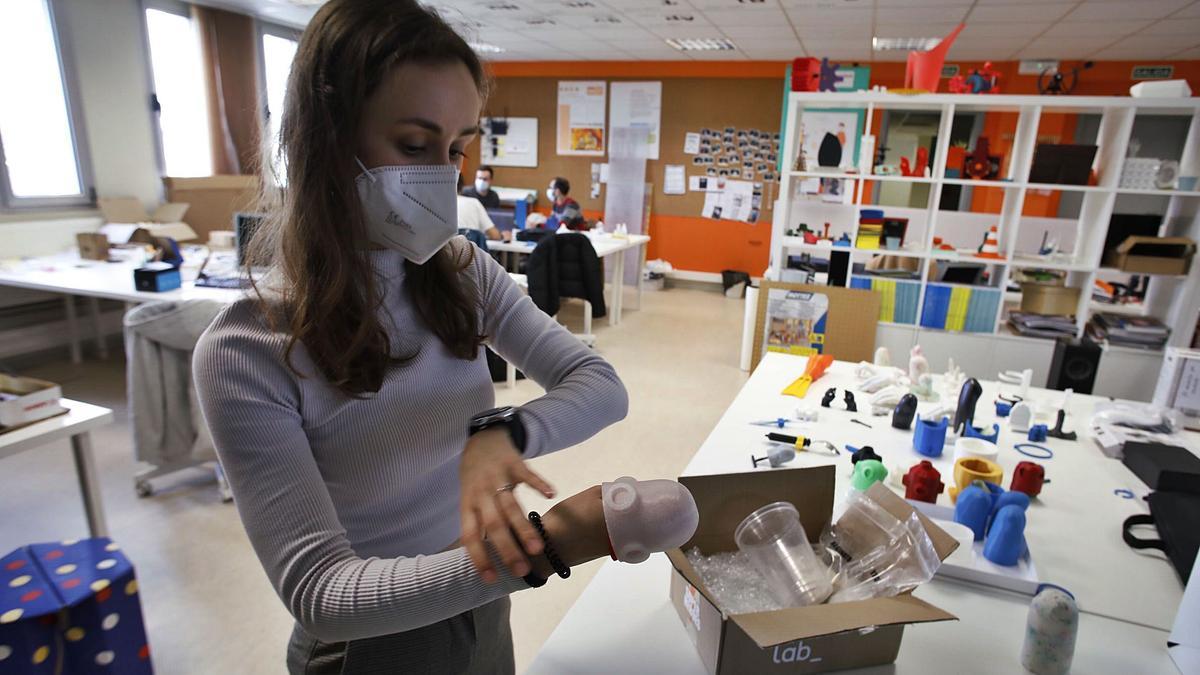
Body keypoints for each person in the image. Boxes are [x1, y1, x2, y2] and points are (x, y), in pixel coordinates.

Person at [192, 1, 628, 672]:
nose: (442, 176)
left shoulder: (461, 270)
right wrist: (554, 543)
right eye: (414, 146)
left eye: (455, 149)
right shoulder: (247, 350)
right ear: (328, 141)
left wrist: (501, 434)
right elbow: (321, 591)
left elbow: (600, 385)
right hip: (373, 642)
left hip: (480, 602)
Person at [456, 173, 504, 241]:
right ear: (462, 186)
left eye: (485, 179)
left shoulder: (438, 207)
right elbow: (495, 235)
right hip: (470, 248)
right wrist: (502, 235)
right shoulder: (474, 203)